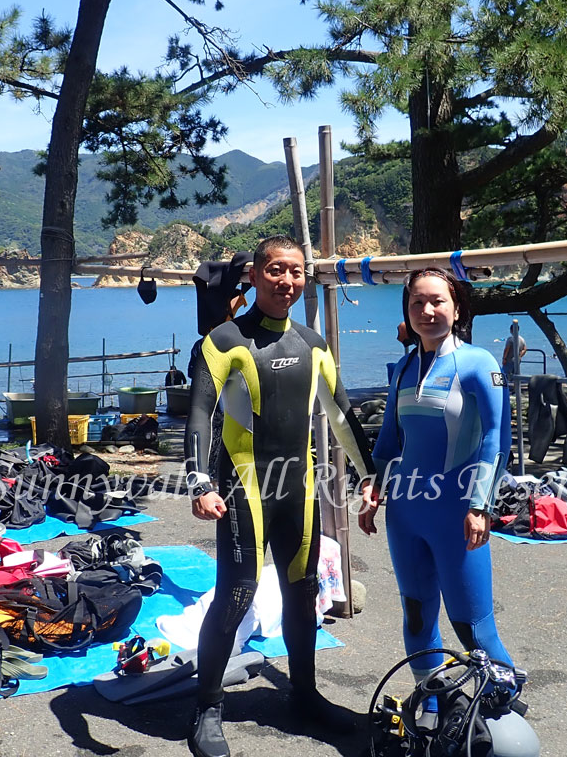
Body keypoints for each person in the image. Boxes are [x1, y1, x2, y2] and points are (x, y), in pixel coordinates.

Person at [184, 236, 376, 757]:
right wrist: (199, 482)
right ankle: (207, 706)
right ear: (254, 275)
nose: (286, 282)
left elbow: (340, 414)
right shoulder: (223, 340)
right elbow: (199, 414)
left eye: (295, 272)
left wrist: (370, 476)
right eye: (275, 271)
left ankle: (305, 695)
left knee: (302, 593)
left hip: (300, 491)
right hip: (243, 489)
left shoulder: (313, 344)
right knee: (236, 594)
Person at [359, 267, 515, 711]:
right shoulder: (405, 366)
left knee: (472, 627)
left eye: (437, 301)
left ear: (457, 307)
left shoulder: (478, 364)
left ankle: (502, 698)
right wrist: (372, 488)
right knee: (416, 613)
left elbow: (494, 441)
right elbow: (389, 440)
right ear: (407, 312)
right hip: (406, 514)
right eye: (416, 303)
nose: (427, 311)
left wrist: (481, 505)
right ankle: (435, 702)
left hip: (456, 515)